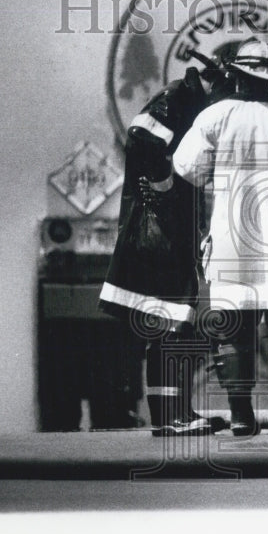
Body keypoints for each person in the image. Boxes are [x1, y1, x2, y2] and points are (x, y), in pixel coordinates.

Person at [173, 39, 268, 436]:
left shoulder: (215, 117)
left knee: (234, 334)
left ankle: (241, 416)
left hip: (232, 244)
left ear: (235, 75)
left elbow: (188, 168)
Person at [97, 61, 228, 437]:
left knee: (174, 325)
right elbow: (142, 136)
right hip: (160, 230)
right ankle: (171, 418)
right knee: (171, 325)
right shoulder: (178, 98)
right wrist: (164, 184)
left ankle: (175, 414)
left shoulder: (188, 100)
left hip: (169, 227)